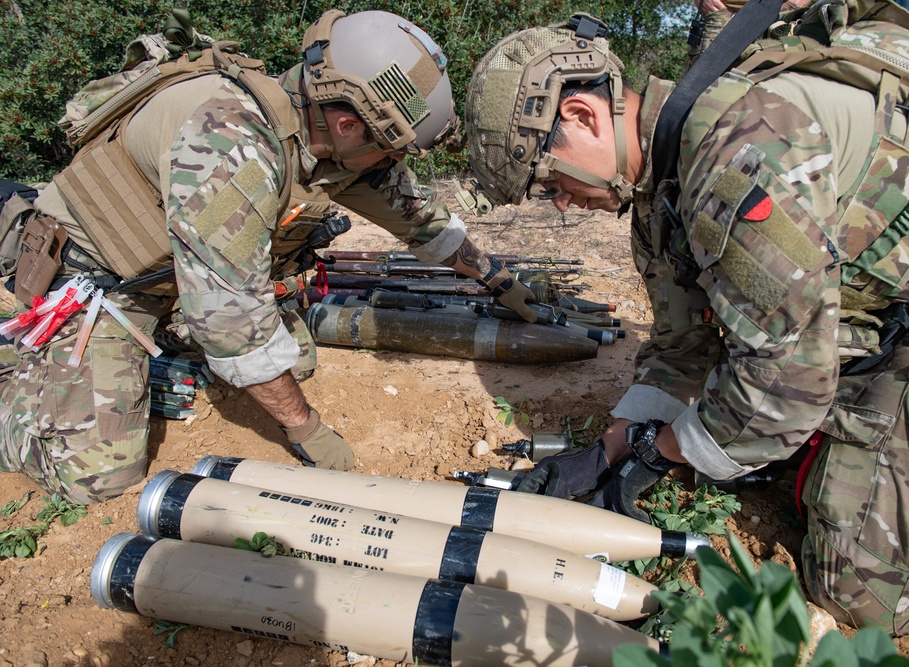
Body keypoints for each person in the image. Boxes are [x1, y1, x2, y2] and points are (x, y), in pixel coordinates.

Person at [462, 6, 909, 636]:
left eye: (547, 178)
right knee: (775, 456)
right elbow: (681, 347)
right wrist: (611, 447)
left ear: (582, 115)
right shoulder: (659, 184)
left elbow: (784, 391)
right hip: (887, 316)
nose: (559, 199)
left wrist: (655, 453)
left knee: (859, 587)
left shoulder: (736, 156)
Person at [0, 8, 536, 504]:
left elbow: (422, 221)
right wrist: (306, 431)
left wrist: (496, 278)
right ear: (349, 124)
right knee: (100, 475)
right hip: (99, 286)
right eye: (393, 148)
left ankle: (156, 352)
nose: (395, 162)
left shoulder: (324, 137)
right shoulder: (230, 143)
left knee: (293, 359)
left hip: (177, 281)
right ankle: (17, 377)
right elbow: (231, 322)